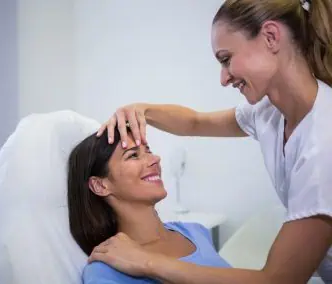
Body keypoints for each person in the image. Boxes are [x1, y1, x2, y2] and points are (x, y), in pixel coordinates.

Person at [91, 0, 332, 283]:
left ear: (270, 37)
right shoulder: (269, 114)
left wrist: (146, 262)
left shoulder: (323, 141)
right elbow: (194, 121)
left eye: (226, 58)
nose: (223, 78)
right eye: (133, 155)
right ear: (99, 184)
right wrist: (142, 109)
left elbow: (277, 280)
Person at [67, 126, 231, 283]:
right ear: (100, 186)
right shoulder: (105, 269)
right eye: (133, 155)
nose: (155, 159)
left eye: (148, 151)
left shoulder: (196, 231)